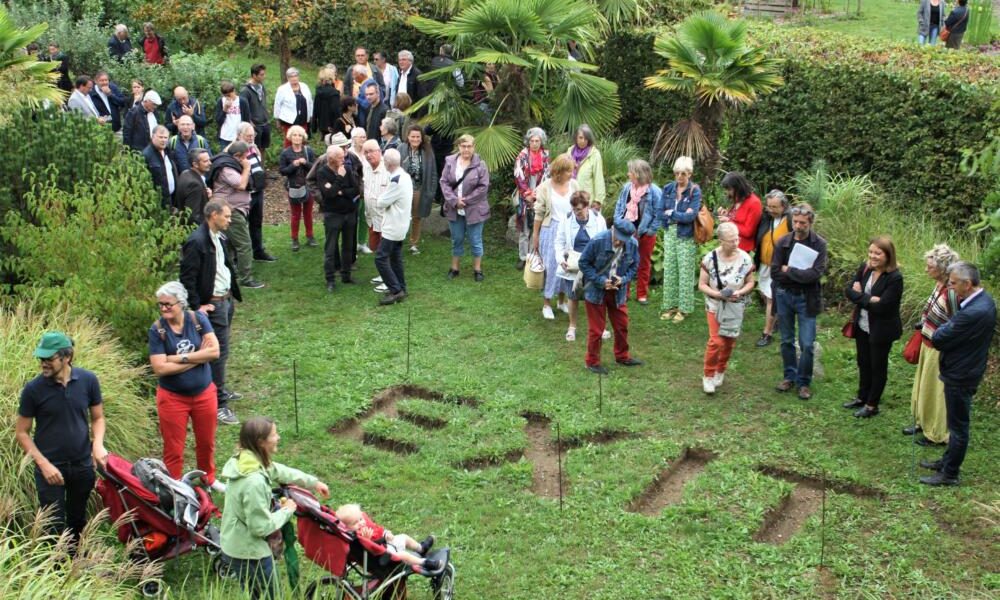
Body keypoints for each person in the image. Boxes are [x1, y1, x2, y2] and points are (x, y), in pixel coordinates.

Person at [220, 417, 329, 600]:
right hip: (249, 552)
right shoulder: (253, 482)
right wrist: (286, 510)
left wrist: (313, 482)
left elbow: (278, 470)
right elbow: (260, 527)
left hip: (234, 542)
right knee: (271, 595)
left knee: (254, 594)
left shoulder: (246, 460)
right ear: (261, 442)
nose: (278, 437)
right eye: (274, 435)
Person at [16, 332, 108, 545]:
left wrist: (98, 445)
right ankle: (55, 571)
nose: (43, 364)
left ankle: (75, 567)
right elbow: (22, 432)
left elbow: (98, 418)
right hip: (50, 467)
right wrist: (43, 464)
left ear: (66, 358)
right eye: (41, 359)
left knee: (77, 521)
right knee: (53, 525)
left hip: (82, 464)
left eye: (48, 359)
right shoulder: (33, 390)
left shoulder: (88, 380)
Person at [921, 262, 996, 486]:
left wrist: (942, 328)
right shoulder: (982, 300)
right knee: (956, 423)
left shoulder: (974, 312)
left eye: (953, 283)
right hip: (965, 366)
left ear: (968, 283)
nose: (950, 287)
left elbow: (939, 337)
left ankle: (950, 474)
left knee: (958, 426)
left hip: (961, 373)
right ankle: (946, 462)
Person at [148, 281, 223, 491]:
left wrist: (177, 358)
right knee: (173, 446)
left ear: (181, 303)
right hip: (172, 397)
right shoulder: (157, 330)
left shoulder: (197, 319)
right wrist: (198, 357)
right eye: (160, 304)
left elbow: (214, 352)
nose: (163, 308)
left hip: (204, 393)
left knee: (206, 441)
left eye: (168, 304)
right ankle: (175, 485)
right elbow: (160, 369)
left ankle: (208, 478)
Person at [180, 201, 243, 426]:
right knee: (216, 352)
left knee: (223, 352)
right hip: (213, 306)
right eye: (226, 216)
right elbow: (187, 278)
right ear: (213, 215)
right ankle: (219, 404)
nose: (229, 220)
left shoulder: (219, 237)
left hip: (225, 300)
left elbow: (223, 266)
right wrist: (197, 307)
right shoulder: (196, 242)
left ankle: (221, 389)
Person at [842, 236, 904, 418]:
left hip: (882, 329)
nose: (873, 256)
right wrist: (869, 299)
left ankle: (872, 404)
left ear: (888, 255)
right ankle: (862, 397)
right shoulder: (866, 267)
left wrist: (861, 296)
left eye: (878, 253)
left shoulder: (894, 277)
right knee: (863, 362)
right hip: (862, 324)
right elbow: (849, 291)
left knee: (878, 366)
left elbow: (884, 306)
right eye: (871, 252)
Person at [771, 203, 827, 400]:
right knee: (786, 340)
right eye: (795, 221)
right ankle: (789, 376)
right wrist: (797, 274)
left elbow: (814, 274)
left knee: (807, 343)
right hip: (784, 295)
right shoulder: (783, 241)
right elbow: (776, 272)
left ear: (810, 222)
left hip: (806, 298)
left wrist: (790, 271)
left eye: (803, 222)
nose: (798, 225)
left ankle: (804, 382)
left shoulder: (819, 244)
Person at [907, 245, 961, 446]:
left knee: (936, 391)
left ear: (943, 269)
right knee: (923, 385)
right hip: (927, 342)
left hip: (940, 348)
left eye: (930, 266)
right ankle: (922, 421)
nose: (925, 270)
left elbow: (957, 322)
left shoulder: (952, 292)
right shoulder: (938, 285)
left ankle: (937, 432)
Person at [578, 219, 643, 374]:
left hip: (618, 292)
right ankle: (592, 362)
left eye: (624, 238)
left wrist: (623, 280)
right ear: (612, 229)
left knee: (622, 325)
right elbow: (583, 263)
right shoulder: (597, 241)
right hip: (596, 291)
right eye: (618, 236)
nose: (619, 241)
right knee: (596, 330)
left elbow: (635, 266)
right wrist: (601, 281)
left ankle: (622, 356)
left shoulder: (632, 244)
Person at [699, 222, 755, 394]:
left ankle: (720, 370)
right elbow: (702, 284)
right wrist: (717, 294)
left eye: (737, 239)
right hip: (715, 304)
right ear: (721, 240)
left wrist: (740, 293)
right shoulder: (709, 259)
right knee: (716, 341)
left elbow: (751, 282)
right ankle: (708, 375)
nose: (736, 243)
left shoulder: (745, 258)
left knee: (729, 342)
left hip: (735, 306)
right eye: (731, 240)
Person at [208, 141, 264, 289]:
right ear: (237, 156)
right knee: (244, 244)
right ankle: (246, 278)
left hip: (233, 209)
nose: (247, 160)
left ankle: (231, 274)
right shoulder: (226, 168)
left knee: (231, 245)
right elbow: (240, 184)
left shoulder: (229, 162)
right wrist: (246, 168)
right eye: (245, 157)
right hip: (230, 211)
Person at [554, 191, 607, 342]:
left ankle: (600, 327)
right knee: (573, 296)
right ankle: (572, 327)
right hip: (572, 264)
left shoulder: (598, 220)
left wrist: (601, 263)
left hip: (593, 265)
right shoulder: (566, 219)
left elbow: (604, 242)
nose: (576, 212)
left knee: (595, 297)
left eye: (579, 209)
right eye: (574, 209)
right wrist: (560, 260)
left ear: (587, 206)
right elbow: (559, 242)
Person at [532, 155, 578, 320]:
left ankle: (562, 300)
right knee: (551, 267)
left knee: (567, 265)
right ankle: (546, 303)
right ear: (559, 172)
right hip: (550, 230)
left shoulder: (573, 184)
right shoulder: (545, 187)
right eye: (568, 171)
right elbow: (539, 213)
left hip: (569, 231)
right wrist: (535, 235)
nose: (571, 174)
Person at [613, 159, 663, 307]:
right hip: (626, 231)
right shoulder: (627, 188)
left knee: (643, 263)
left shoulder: (653, 191)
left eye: (630, 171)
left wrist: (650, 231)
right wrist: (618, 221)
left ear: (638, 174)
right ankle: (624, 292)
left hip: (644, 233)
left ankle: (642, 294)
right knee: (625, 261)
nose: (628, 174)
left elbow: (658, 214)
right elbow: (620, 205)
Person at [440, 134, 490, 281]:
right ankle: (454, 268)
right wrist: (454, 200)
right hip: (454, 207)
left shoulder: (481, 164)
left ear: (474, 147)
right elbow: (444, 182)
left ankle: (477, 270)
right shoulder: (450, 162)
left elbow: (483, 187)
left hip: (475, 208)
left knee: (475, 239)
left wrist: (466, 200)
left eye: (469, 146)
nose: (466, 149)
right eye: (463, 146)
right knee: (457, 238)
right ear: (459, 147)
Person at [659, 156, 701, 322]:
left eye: (683, 174)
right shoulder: (668, 188)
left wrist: (673, 214)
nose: (679, 177)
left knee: (685, 271)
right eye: (677, 173)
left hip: (686, 235)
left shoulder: (694, 191)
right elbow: (660, 212)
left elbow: (690, 217)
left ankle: (683, 309)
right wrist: (676, 216)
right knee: (669, 270)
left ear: (689, 174)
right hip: (670, 233)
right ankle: (670, 306)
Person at [335, 504, 440, 570]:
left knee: (404, 537)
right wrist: (367, 541)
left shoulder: (364, 527)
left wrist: (385, 534)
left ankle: (421, 548)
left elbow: (377, 530)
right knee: (404, 555)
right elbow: (370, 551)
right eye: (355, 523)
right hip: (382, 558)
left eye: (361, 519)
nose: (361, 523)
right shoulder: (357, 538)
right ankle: (424, 563)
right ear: (347, 527)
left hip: (386, 545)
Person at [313, 145, 360, 291]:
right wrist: (339, 178)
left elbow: (356, 189)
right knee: (330, 248)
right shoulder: (322, 173)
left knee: (348, 247)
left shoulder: (347, 168)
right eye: (340, 157)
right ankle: (330, 280)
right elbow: (329, 194)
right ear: (332, 159)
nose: (344, 159)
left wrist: (341, 191)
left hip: (349, 213)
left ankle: (346, 276)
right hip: (333, 215)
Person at [374, 149, 413, 306]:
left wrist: (379, 198)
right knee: (395, 257)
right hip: (401, 224)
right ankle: (401, 286)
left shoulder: (396, 180)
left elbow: (382, 202)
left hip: (393, 225)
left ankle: (395, 290)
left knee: (380, 258)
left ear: (387, 163)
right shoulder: (405, 176)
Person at [754, 190, 792, 347]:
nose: (771, 209)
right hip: (764, 264)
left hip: (779, 267)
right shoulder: (766, 218)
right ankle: (775, 319)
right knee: (765, 294)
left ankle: (767, 333)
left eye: (774, 207)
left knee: (771, 298)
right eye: (769, 206)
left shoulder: (790, 221)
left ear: (783, 206)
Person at [234, 123, 275, 263]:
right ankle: (238, 256)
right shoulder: (235, 150)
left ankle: (258, 251)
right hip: (245, 194)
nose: (251, 138)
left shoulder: (253, 148)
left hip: (258, 191)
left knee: (256, 222)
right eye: (248, 136)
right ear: (240, 136)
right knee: (241, 225)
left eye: (253, 135)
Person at [514, 128, 551, 270]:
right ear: (528, 141)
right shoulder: (522, 155)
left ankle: (533, 256)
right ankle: (523, 257)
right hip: (525, 197)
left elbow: (548, 175)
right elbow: (518, 176)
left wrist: (538, 193)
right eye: (532, 141)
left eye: (537, 141)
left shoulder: (545, 156)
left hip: (540, 195)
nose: (534, 143)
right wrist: (527, 194)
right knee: (525, 229)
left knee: (536, 227)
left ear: (541, 141)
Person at [278, 125, 318, 251]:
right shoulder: (286, 153)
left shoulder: (308, 151)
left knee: (308, 213)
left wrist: (305, 163)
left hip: (308, 187)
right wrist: (293, 165)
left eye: (299, 135)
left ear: (303, 137)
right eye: (294, 135)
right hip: (294, 187)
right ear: (290, 137)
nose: (297, 137)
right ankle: (294, 239)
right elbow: (282, 171)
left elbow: (315, 168)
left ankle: (310, 236)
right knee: (295, 214)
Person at [399, 124, 437, 255]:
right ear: (408, 137)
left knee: (416, 217)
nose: (415, 139)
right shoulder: (401, 148)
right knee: (401, 215)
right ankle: (397, 240)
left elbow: (433, 173)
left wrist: (431, 191)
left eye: (418, 136)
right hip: (402, 189)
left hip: (419, 188)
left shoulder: (427, 151)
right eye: (412, 136)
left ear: (422, 138)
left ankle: (413, 243)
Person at [363, 140, 391, 289]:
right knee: (377, 249)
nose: (368, 155)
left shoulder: (388, 169)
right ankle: (383, 274)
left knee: (386, 250)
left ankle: (389, 280)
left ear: (379, 151)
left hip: (386, 218)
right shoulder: (366, 168)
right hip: (372, 217)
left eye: (371, 151)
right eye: (366, 152)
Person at [717, 172, 762, 254]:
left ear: (738, 188)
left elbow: (748, 232)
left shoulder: (754, 203)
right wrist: (726, 214)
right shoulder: (737, 198)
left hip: (741, 248)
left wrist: (728, 221)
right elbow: (735, 218)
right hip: (727, 243)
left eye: (729, 189)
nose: (727, 192)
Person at [567, 124, 605, 208]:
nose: (583, 141)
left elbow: (598, 178)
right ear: (576, 137)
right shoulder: (570, 152)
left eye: (586, 138)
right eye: (580, 137)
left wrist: (598, 200)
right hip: (569, 197)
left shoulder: (594, 154)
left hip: (586, 200)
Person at [273, 68, 313, 145]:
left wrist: (310, 115)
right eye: (291, 76)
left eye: (296, 76)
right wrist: (277, 119)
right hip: (289, 120)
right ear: (288, 78)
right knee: (289, 141)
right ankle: (288, 156)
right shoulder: (282, 89)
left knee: (303, 140)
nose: (294, 78)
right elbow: (277, 104)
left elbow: (310, 102)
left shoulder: (304, 86)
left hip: (303, 119)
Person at [142, 125, 178, 209]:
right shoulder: (146, 155)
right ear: (153, 136)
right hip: (156, 203)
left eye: (166, 137)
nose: (163, 140)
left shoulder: (168, 152)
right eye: (160, 137)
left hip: (171, 200)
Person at [176, 148, 213, 224]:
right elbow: (193, 216)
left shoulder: (185, 173)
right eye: (205, 161)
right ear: (195, 164)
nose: (210, 163)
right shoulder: (194, 185)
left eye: (209, 160)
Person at [240, 64, 271, 150]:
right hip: (254, 125)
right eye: (261, 75)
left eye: (264, 74)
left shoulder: (262, 86)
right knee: (254, 149)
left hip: (265, 122)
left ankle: (262, 164)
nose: (264, 76)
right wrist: (249, 122)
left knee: (263, 148)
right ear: (254, 75)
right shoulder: (245, 91)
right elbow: (243, 109)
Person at [216, 81, 251, 148]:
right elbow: (218, 121)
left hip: (239, 137)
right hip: (225, 137)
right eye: (225, 96)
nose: (227, 98)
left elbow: (247, 120)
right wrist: (225, 109)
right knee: (226, 157)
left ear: (234, 91)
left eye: (229, 95)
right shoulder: (221, 101)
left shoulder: (242, 101)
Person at [311, 66, 342, 140]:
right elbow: (336, 111)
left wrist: (314, 126)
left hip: (322, 124)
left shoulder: (319, 91)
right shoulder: (334, 93)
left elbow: (315, 109)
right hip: (332, 125)